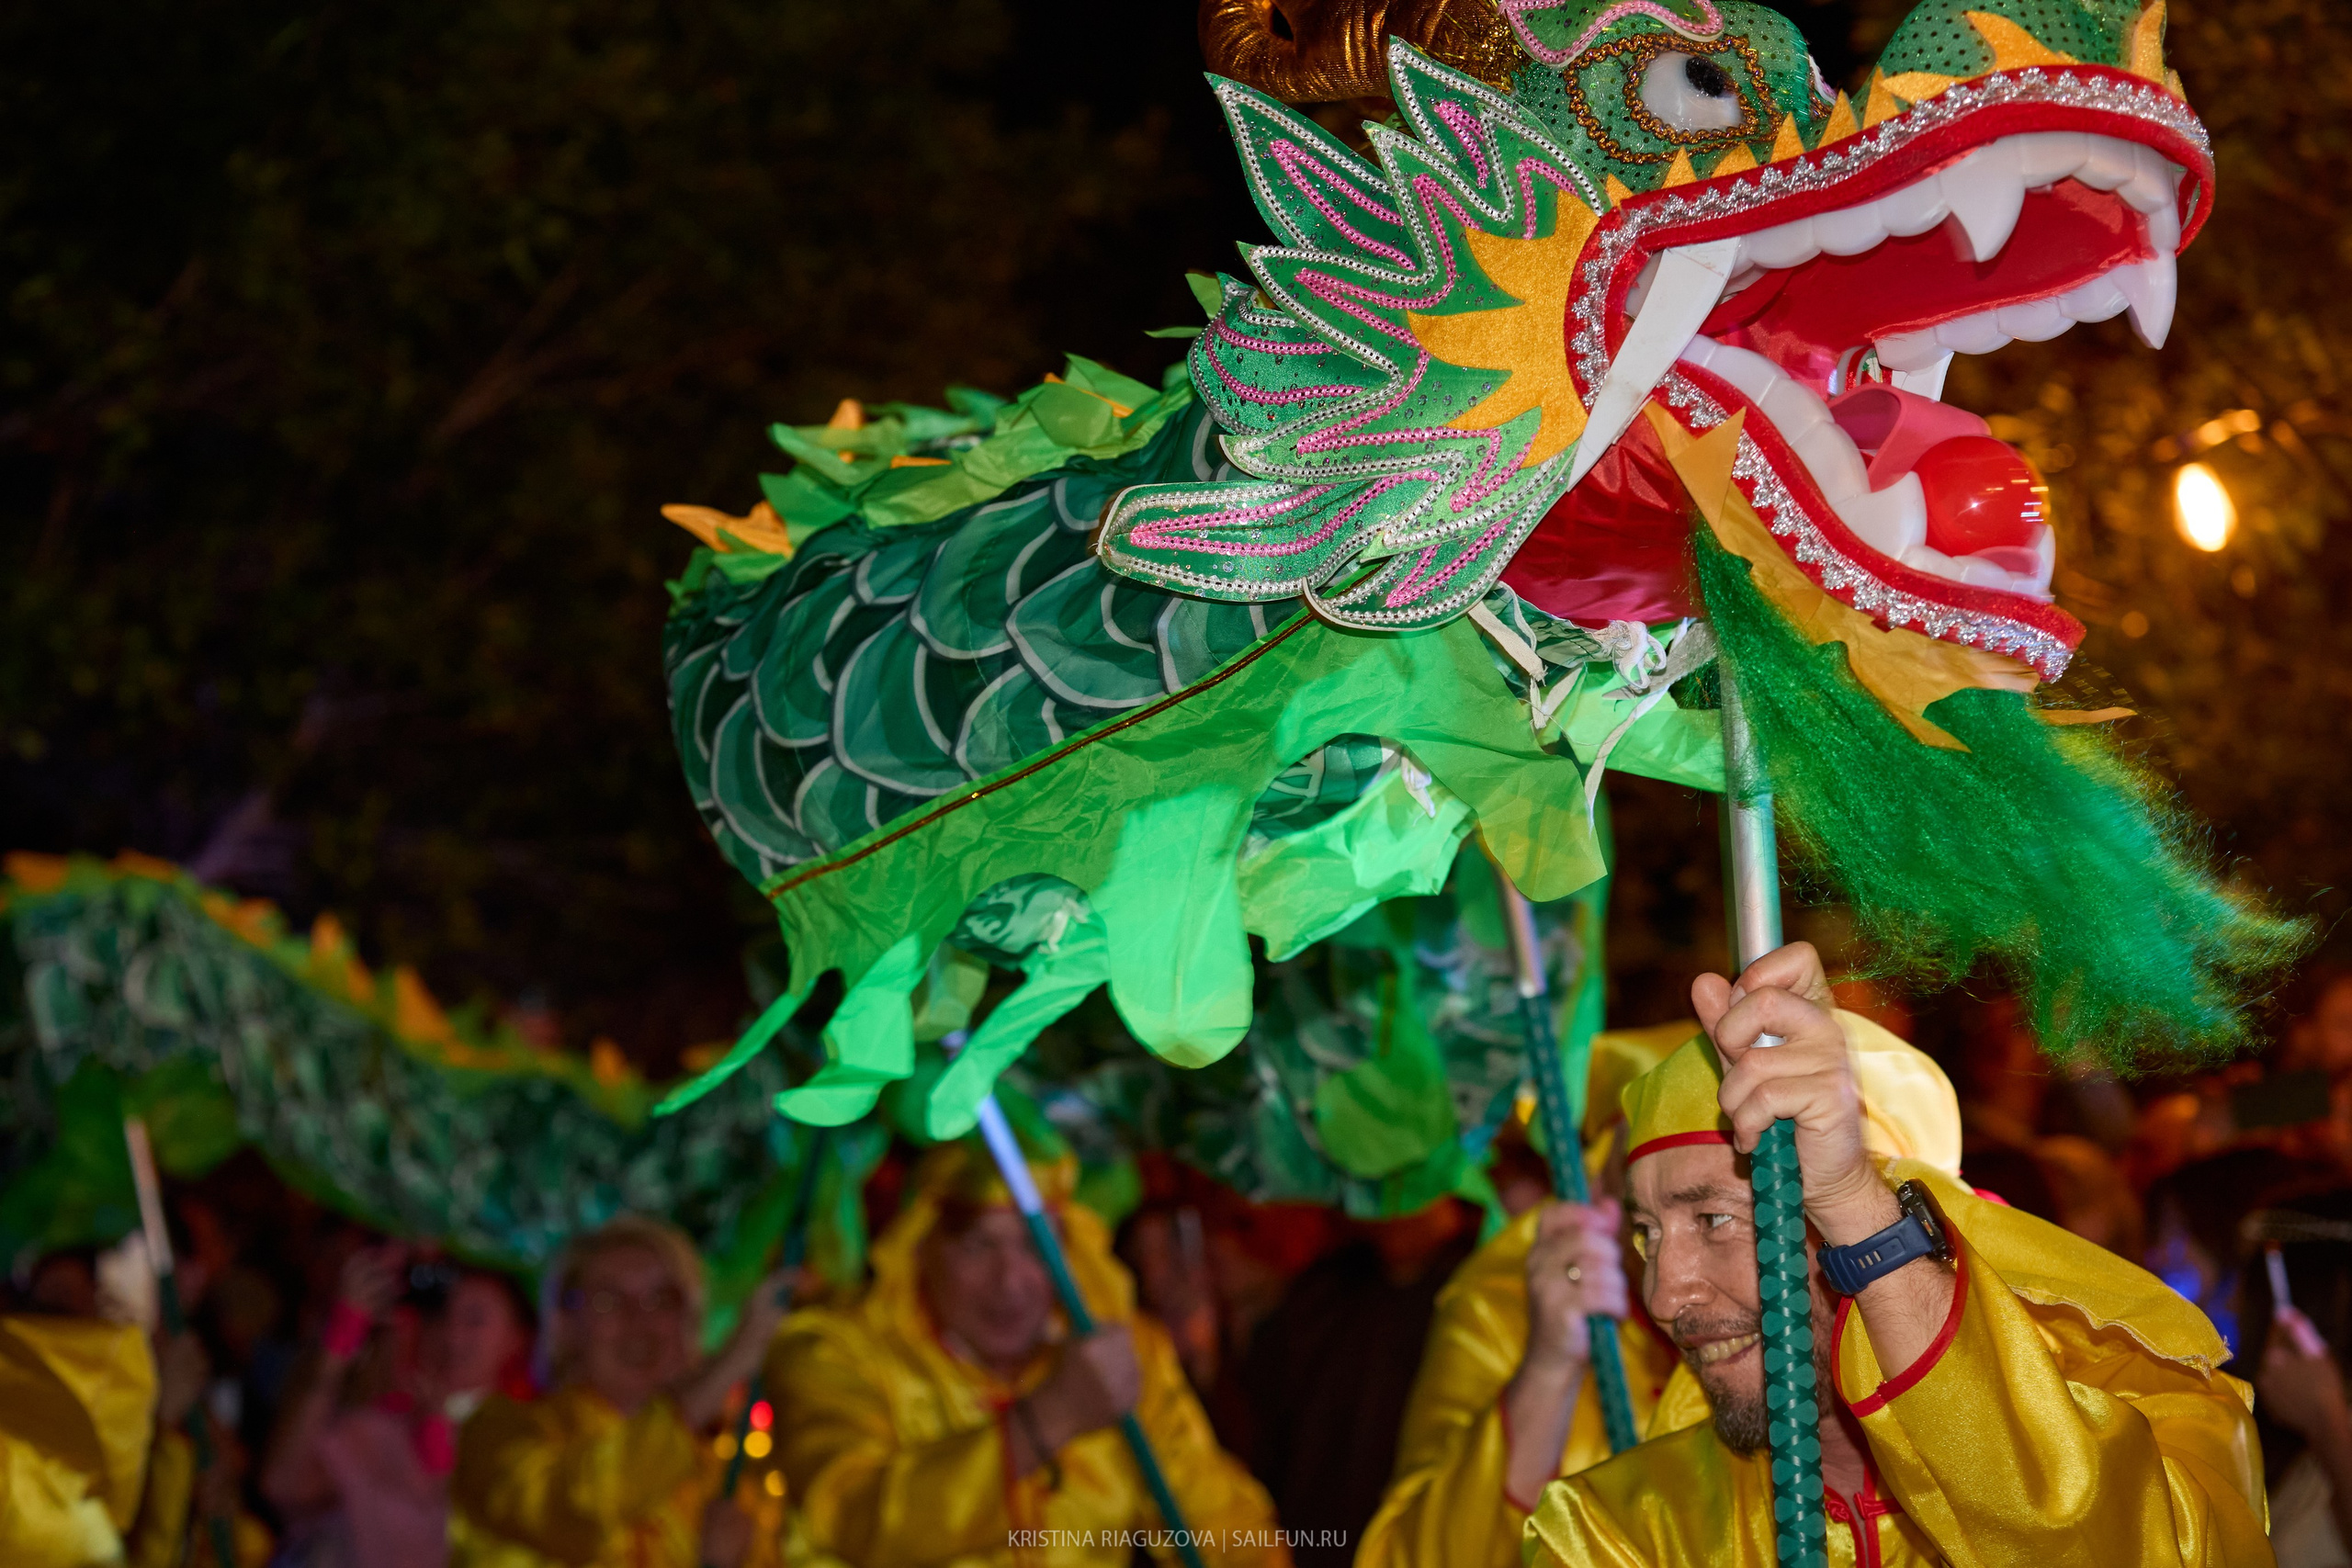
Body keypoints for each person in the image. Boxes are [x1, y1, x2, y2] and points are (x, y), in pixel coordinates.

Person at [1525, 942, 2270, 1566]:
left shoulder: (2163, 1417)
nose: (1662, 1293)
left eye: (1717, 1218)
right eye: (1647, 1233)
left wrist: (1852, 1200)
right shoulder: (1621, 1530)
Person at [769, 1139, 1288, 1568]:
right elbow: (856, 1517)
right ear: (920, 1246)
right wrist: (1045, 1420)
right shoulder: (831, 1353)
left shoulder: (1118, 1355)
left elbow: (1221, 1519)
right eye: (979, 1246)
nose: (1011, 1281)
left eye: (1035, 1246)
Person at [1357, 1022, 1690, 1568]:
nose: (1687, 1260)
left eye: (1717, 1214)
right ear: (1602, 1186)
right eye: (1653, 1206)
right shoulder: (1499, 1306)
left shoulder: (1786, 1300)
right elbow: (1409, 1556)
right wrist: (1548, 1368)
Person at [449, 1215, 792, 1568]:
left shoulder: (728, 1478)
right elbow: (578, 1508)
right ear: (567, 1323)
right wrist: (732, 1360)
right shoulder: (497, 1436)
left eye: (662, 1299)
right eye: (609, 1300)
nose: (639, 1321)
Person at [263, 1242, 532, 1568]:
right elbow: (285, 1484)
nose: (452, 1334)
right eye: (442, 1315)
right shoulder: (380, 1432)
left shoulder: (527, 1442)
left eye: (474, 1320)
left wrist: (442, 1458)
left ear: (518, 1337)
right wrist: (339, 1344)